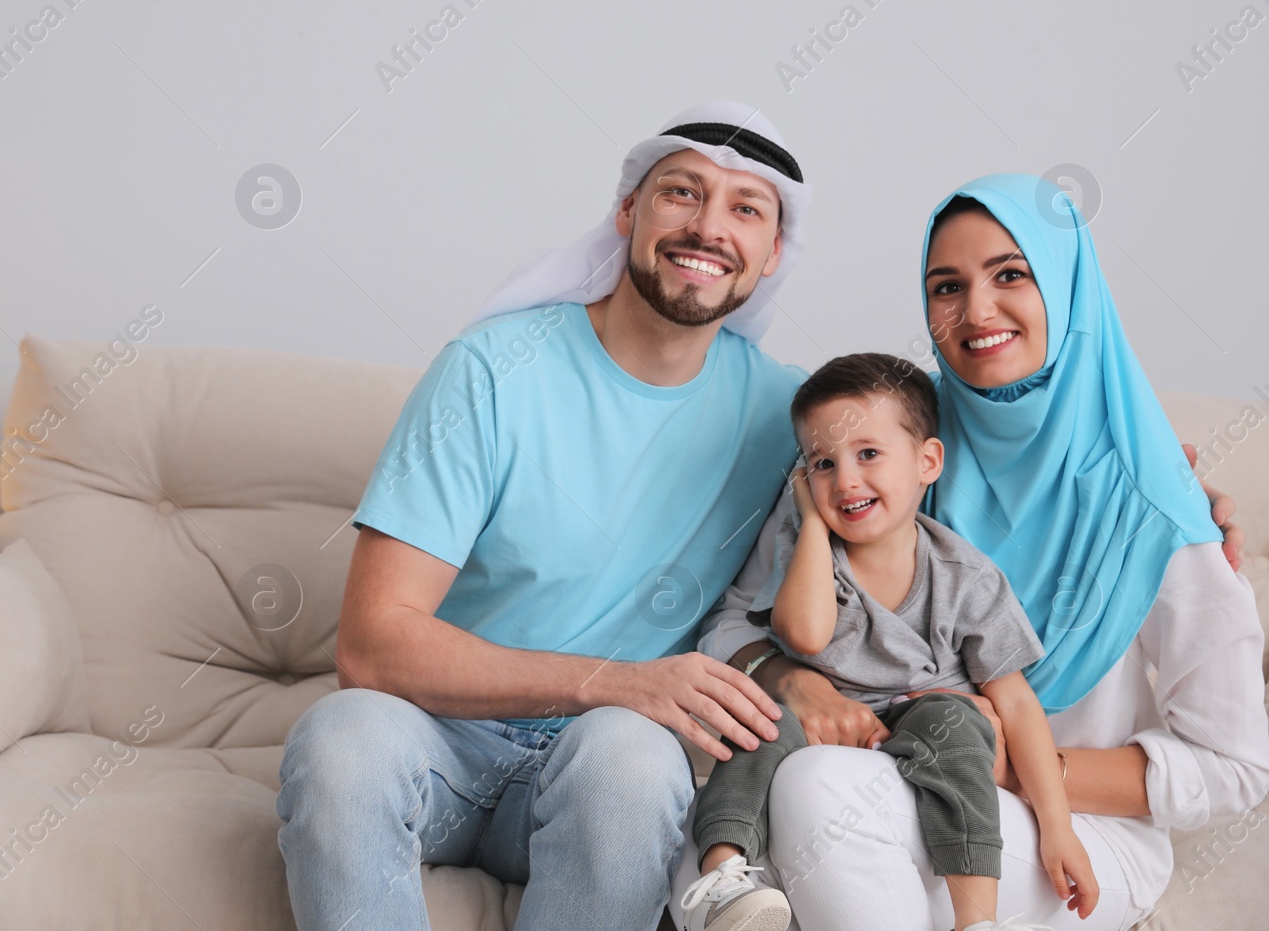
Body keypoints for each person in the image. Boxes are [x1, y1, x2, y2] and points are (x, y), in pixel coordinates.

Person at [275, 102, 816, 930]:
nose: (709, 227)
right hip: (441, 742)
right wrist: (618, 681)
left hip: (600, 774)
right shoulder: (493, 370)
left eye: (746, 207)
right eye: (682, 192)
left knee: (635, 757)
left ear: (772, 252)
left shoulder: (789, 420)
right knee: (341, 734)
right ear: (627, 210)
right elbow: (372, 643)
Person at [693, 175, 1269, 931]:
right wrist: (791, 678)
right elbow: (731, 626)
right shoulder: (877, 447)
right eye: (947, 285)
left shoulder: (1152, 501)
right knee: (726, 829)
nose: (977, 310)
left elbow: (1235, 767)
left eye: (1011, 274)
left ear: (1067, 286)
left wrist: (1016, 766)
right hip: (889, 778)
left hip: (1074, 829)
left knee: (816, 790)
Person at [682, 353, 1096, 931]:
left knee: (960, 725)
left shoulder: (964, 575)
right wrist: (810, 522)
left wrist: (1058, 825)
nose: (845, 480)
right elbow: (803, 633)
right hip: (821, 728)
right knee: (761, 724)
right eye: (821, 463)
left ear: (927, 462)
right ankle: (725, 881)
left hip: (921, 717)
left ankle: (976, 918)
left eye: (868, 454)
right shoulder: (809, 552)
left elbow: (1018, 702)